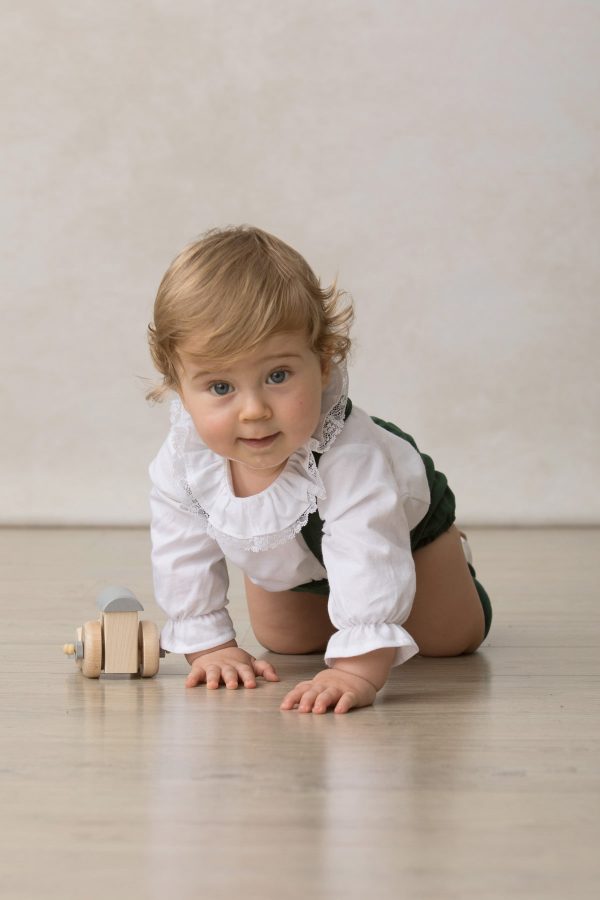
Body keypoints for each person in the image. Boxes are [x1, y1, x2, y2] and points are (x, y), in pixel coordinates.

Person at [146, 225, 492, 715]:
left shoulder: (351, 456)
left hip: (400, 533)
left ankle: (449, 556)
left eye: (278, 376)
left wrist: (355, 671)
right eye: (221, 387)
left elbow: (365, 546)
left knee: (448, 640)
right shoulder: (186, 460)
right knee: (286, 642)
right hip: (295, 555)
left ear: (324, 362)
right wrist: (210, 645)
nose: (254, 410)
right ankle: (334, 598)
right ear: (178, 384)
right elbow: (180, 548)